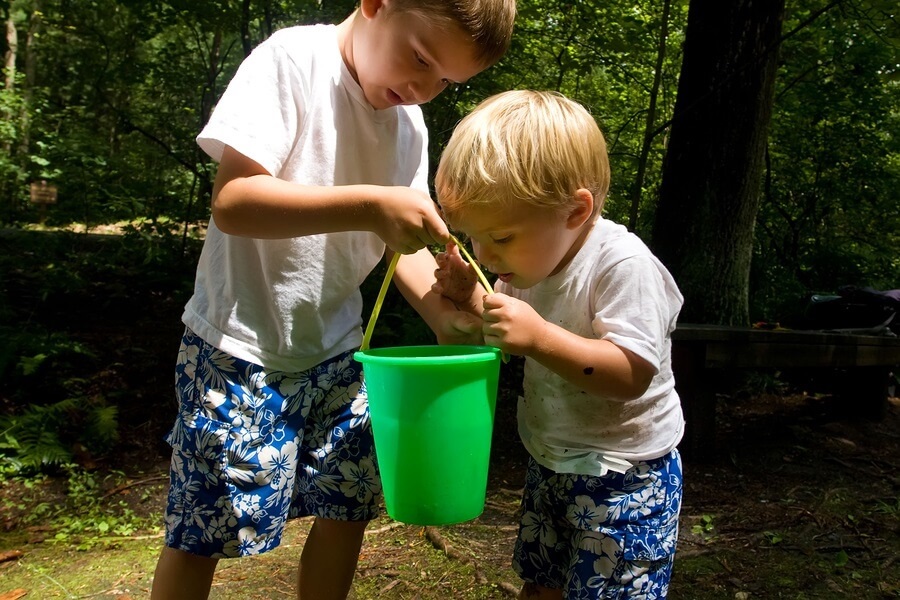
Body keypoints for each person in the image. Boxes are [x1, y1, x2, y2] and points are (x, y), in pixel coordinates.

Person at [149, 2, 516, 599]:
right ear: (375, 4)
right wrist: (371, 204)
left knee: (347, 508)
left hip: (342, 354)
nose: (423, 89)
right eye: (421, 59)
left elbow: (403, 245)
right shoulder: (293, 62)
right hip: (238, 350)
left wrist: (445, 318)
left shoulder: (409, 128)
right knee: (204, 529)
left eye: (445, 82)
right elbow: (235, 202)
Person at [432, 90, 685, 599]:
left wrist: (541, 338)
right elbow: (505, 325)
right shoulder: (528, 260)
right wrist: (468, 296)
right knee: (541, 581)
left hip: (625, 475)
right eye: (474, 238)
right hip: (550, 460)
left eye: (499, 237)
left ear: (575, 210)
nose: (485, 253)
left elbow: (632, 374)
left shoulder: (621, 266)